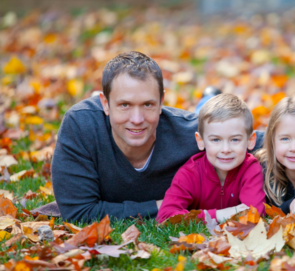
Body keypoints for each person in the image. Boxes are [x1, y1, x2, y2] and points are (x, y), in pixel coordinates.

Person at [52, 51, 263, 223]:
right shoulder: (81, 127)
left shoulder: (192, 135)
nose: (136, 119)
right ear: (105, 104)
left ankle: (209, 101)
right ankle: (207, 100)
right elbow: (79, 213)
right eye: (124, 105)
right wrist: (160, 206)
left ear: (161, 102)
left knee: (208, 119)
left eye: (148, 104)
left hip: (193, 121)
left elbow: (270, 141)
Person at [156, 94, 266, 223]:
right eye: (216, 140)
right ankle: (207, 96)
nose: (225, 150)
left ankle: (211, 95)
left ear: (251, 140)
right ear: (200, 141)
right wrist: (218, 215)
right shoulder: (190, 173)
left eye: (235, 139)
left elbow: (255, 214)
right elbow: (165, 217)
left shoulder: (250, 168)